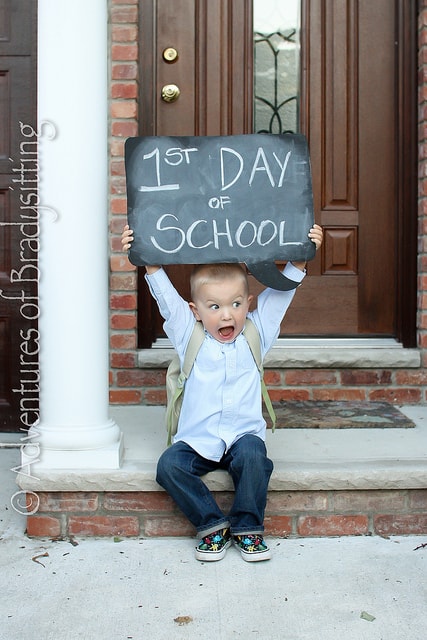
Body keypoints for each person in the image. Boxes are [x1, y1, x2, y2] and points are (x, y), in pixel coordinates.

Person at [121, 223, 323, 562]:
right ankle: (213, 524)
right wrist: (149, 260)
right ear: (195, 311)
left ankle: (247, 527)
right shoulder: (189, 335)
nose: (226, 314)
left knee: (255, 459)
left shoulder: (257, 332)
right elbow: (166, 299)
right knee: (169, 466)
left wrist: (301, 260)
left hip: (242, 435)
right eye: (214, 306)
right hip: (198, 439)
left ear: (249, 303)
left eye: (235, 304)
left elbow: (283, 295)